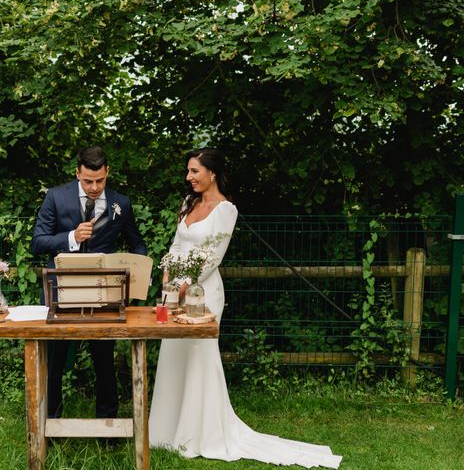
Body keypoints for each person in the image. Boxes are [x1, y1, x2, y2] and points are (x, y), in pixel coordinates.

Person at [148, 148, 342, 468]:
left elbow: (212, 258)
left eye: (194, 171)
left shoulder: (226, 210)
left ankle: (199, 434)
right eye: (188, 171)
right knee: (173, 356)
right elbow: (176, 246)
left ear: (212, 173)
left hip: (202, 293)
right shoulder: (188, 204)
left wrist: (184, 287)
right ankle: (165, 431)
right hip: (175, 293)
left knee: (198, 359)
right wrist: (168, 281)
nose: (189, 177)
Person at [31, 146, 147, 420]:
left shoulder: (122, 204)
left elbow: (137, 244)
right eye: (88, 181)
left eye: (100, 181)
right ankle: (51, 423)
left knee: (104, 362)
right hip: (61, 293)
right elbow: (37, 242)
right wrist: (71, 237)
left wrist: (136, 271)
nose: (94, 187)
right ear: (77, 174)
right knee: (54, 363)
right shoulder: (56, 197)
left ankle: (107, 425)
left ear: (107, 172)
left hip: (104, 294)